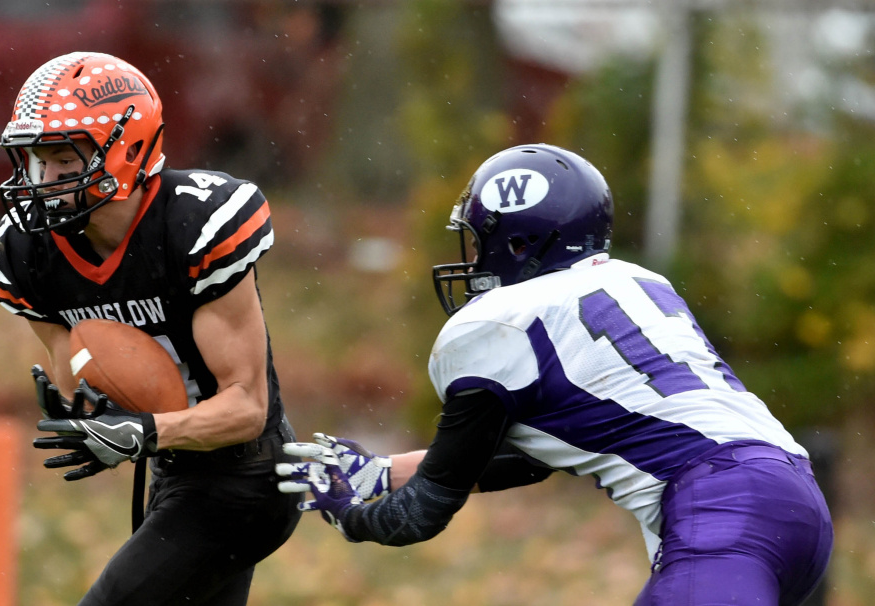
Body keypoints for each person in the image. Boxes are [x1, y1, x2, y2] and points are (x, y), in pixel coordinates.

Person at [277, 143, 834, 605]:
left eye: (479, 242)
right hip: (795, 499)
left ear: (518, 243)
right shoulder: (637, 283)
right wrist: (380, 473)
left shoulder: (500, 322)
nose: (473, 261)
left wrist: (349, 514)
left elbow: (422, 514)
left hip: (720, 513)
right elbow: (529, 458)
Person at [0, 51, 301, 605]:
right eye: (36, 160)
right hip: (174, 477)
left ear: (127, 150)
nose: (46, 179)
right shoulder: (25, 253)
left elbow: (247, 408)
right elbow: (78, 375)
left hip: (248, 478)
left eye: (64, 159)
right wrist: (88, 413)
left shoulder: (194, 224)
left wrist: (145, 432)